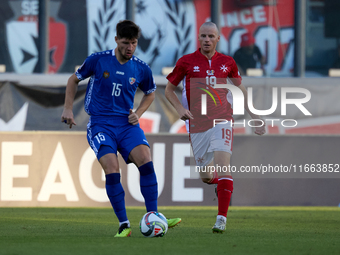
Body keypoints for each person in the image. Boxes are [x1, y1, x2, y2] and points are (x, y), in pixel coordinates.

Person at [61, 20, 181, 237]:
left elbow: (151, 92)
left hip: (126, 124)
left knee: (145, 159)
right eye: (125, 42)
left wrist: (139, 112)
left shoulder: (141, 68)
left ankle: (152, 215)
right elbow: (73, 80)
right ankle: (124, 224)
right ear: (116, 40)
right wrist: (68, 109)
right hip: (100, 124)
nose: (130, 47)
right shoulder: (98, 61)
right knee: (112, 167)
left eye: (134, 43)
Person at [165, 22, 265, 233]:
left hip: (222, 120)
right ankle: (223, 185)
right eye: (203, 36)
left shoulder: (227, 62)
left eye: (211, 36)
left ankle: (221, 219)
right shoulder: (186, 62)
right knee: (206, 176)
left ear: (218, 39)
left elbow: (241, 90)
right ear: (198, 38)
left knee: (223, 164)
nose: (207, 40)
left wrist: (255, 115)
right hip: (196, 124)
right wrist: (179, 109)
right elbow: (169, 90)